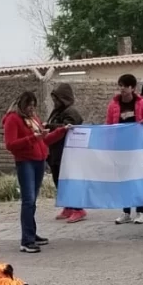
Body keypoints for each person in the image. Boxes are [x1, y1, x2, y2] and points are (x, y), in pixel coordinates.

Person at [2, 91, 69, 254]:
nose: (32, 108)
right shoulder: (13, 119)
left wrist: (61, 131)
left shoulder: (33, 118)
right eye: (29, 105)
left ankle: (32, 233)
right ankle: (26, 240)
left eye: (33, 105)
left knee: (32, 201)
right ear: (21, 105)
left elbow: (44, 140)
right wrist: (34, 138)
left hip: (39, 160)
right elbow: (11, 144)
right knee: (28, 201)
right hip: (25, 162)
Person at [106, 74, 143, 225]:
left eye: (125, 86)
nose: (122, 89)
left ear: (133, 88)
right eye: (120, 85)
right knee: (123, 180)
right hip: (120, 148)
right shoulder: (113, 105)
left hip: (137, 148)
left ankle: (140, 212)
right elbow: (108, 126)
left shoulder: (142, 103)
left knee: (138, 179)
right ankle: (126, 212)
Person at [45, 83, 87, 224]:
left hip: (67, 152)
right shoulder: (57, 112)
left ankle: (78, 209)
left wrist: (49, 126)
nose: (55, 102)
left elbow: (68, 128)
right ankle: (68, 206)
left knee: (69, 181)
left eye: (57, 99)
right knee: (59, 180)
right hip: (55, 152)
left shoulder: (71, 112)